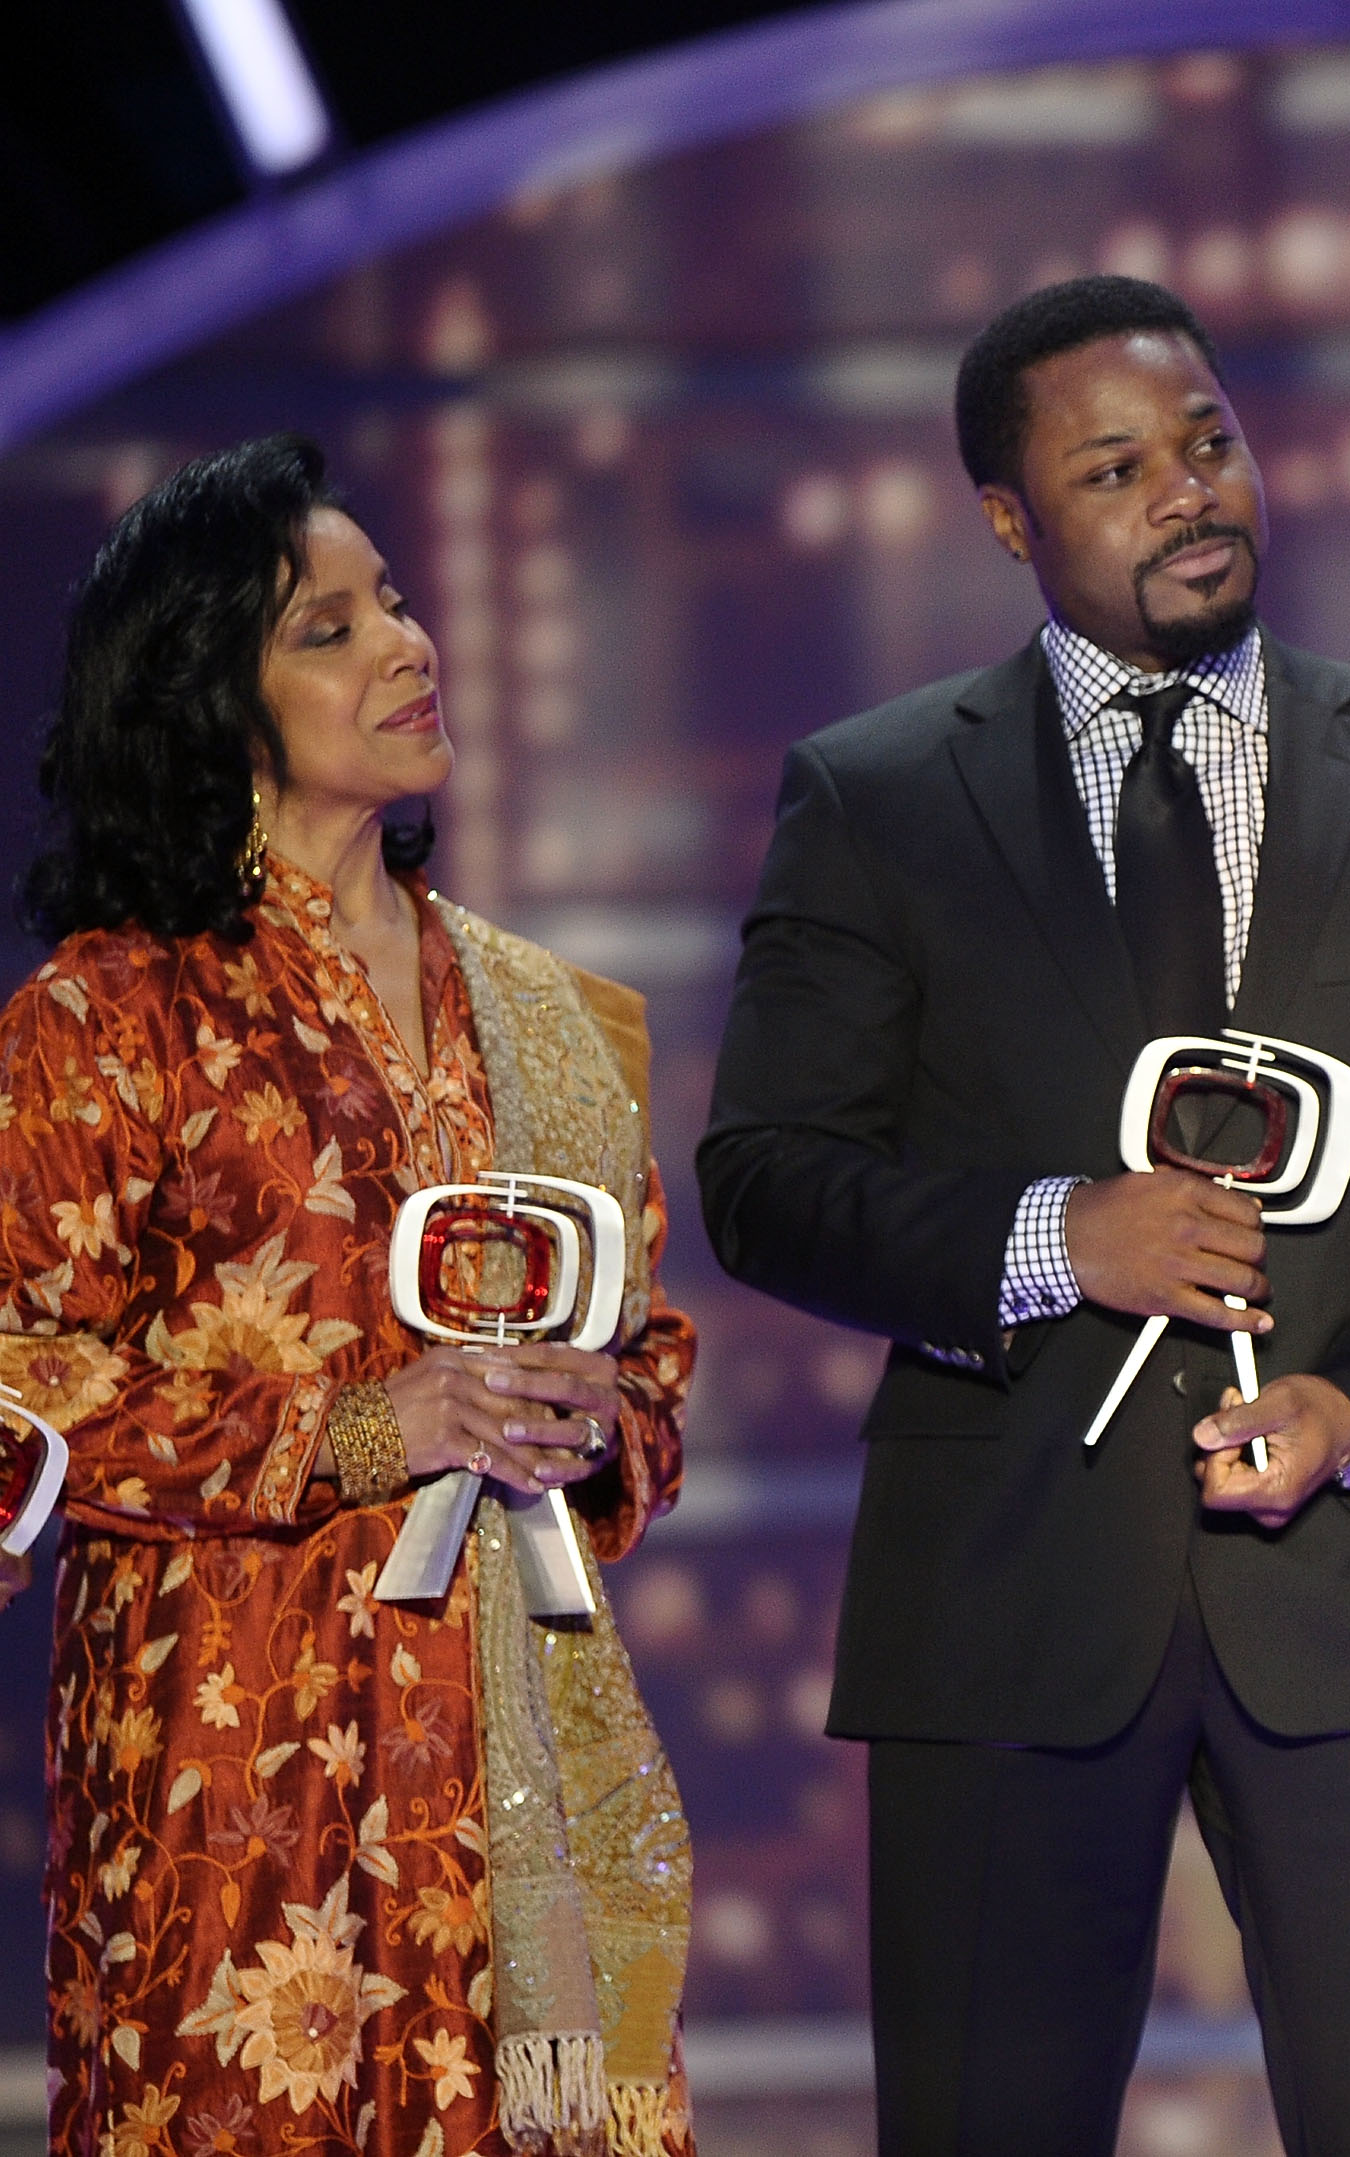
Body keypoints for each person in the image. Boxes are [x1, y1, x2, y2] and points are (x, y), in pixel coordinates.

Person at [697, 275, 1350, 2156]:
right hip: (1005, 1602)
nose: (1188, 492)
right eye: (1115, 470)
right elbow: (765, 1179)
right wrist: (1054, 1238)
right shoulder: (879, 797)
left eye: (1209, 443)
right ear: (1009, 520)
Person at [0, 435, 697, 2157]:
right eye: (330, 627)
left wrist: (598, 1417)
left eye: (393, 598)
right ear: (208, 701)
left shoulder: (548, 1015)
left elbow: (651, 1355)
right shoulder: (107, 1019)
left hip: (513, 1770)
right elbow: (19, 1371)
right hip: (235, 1784)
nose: (406, 642)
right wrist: (357, 1428)